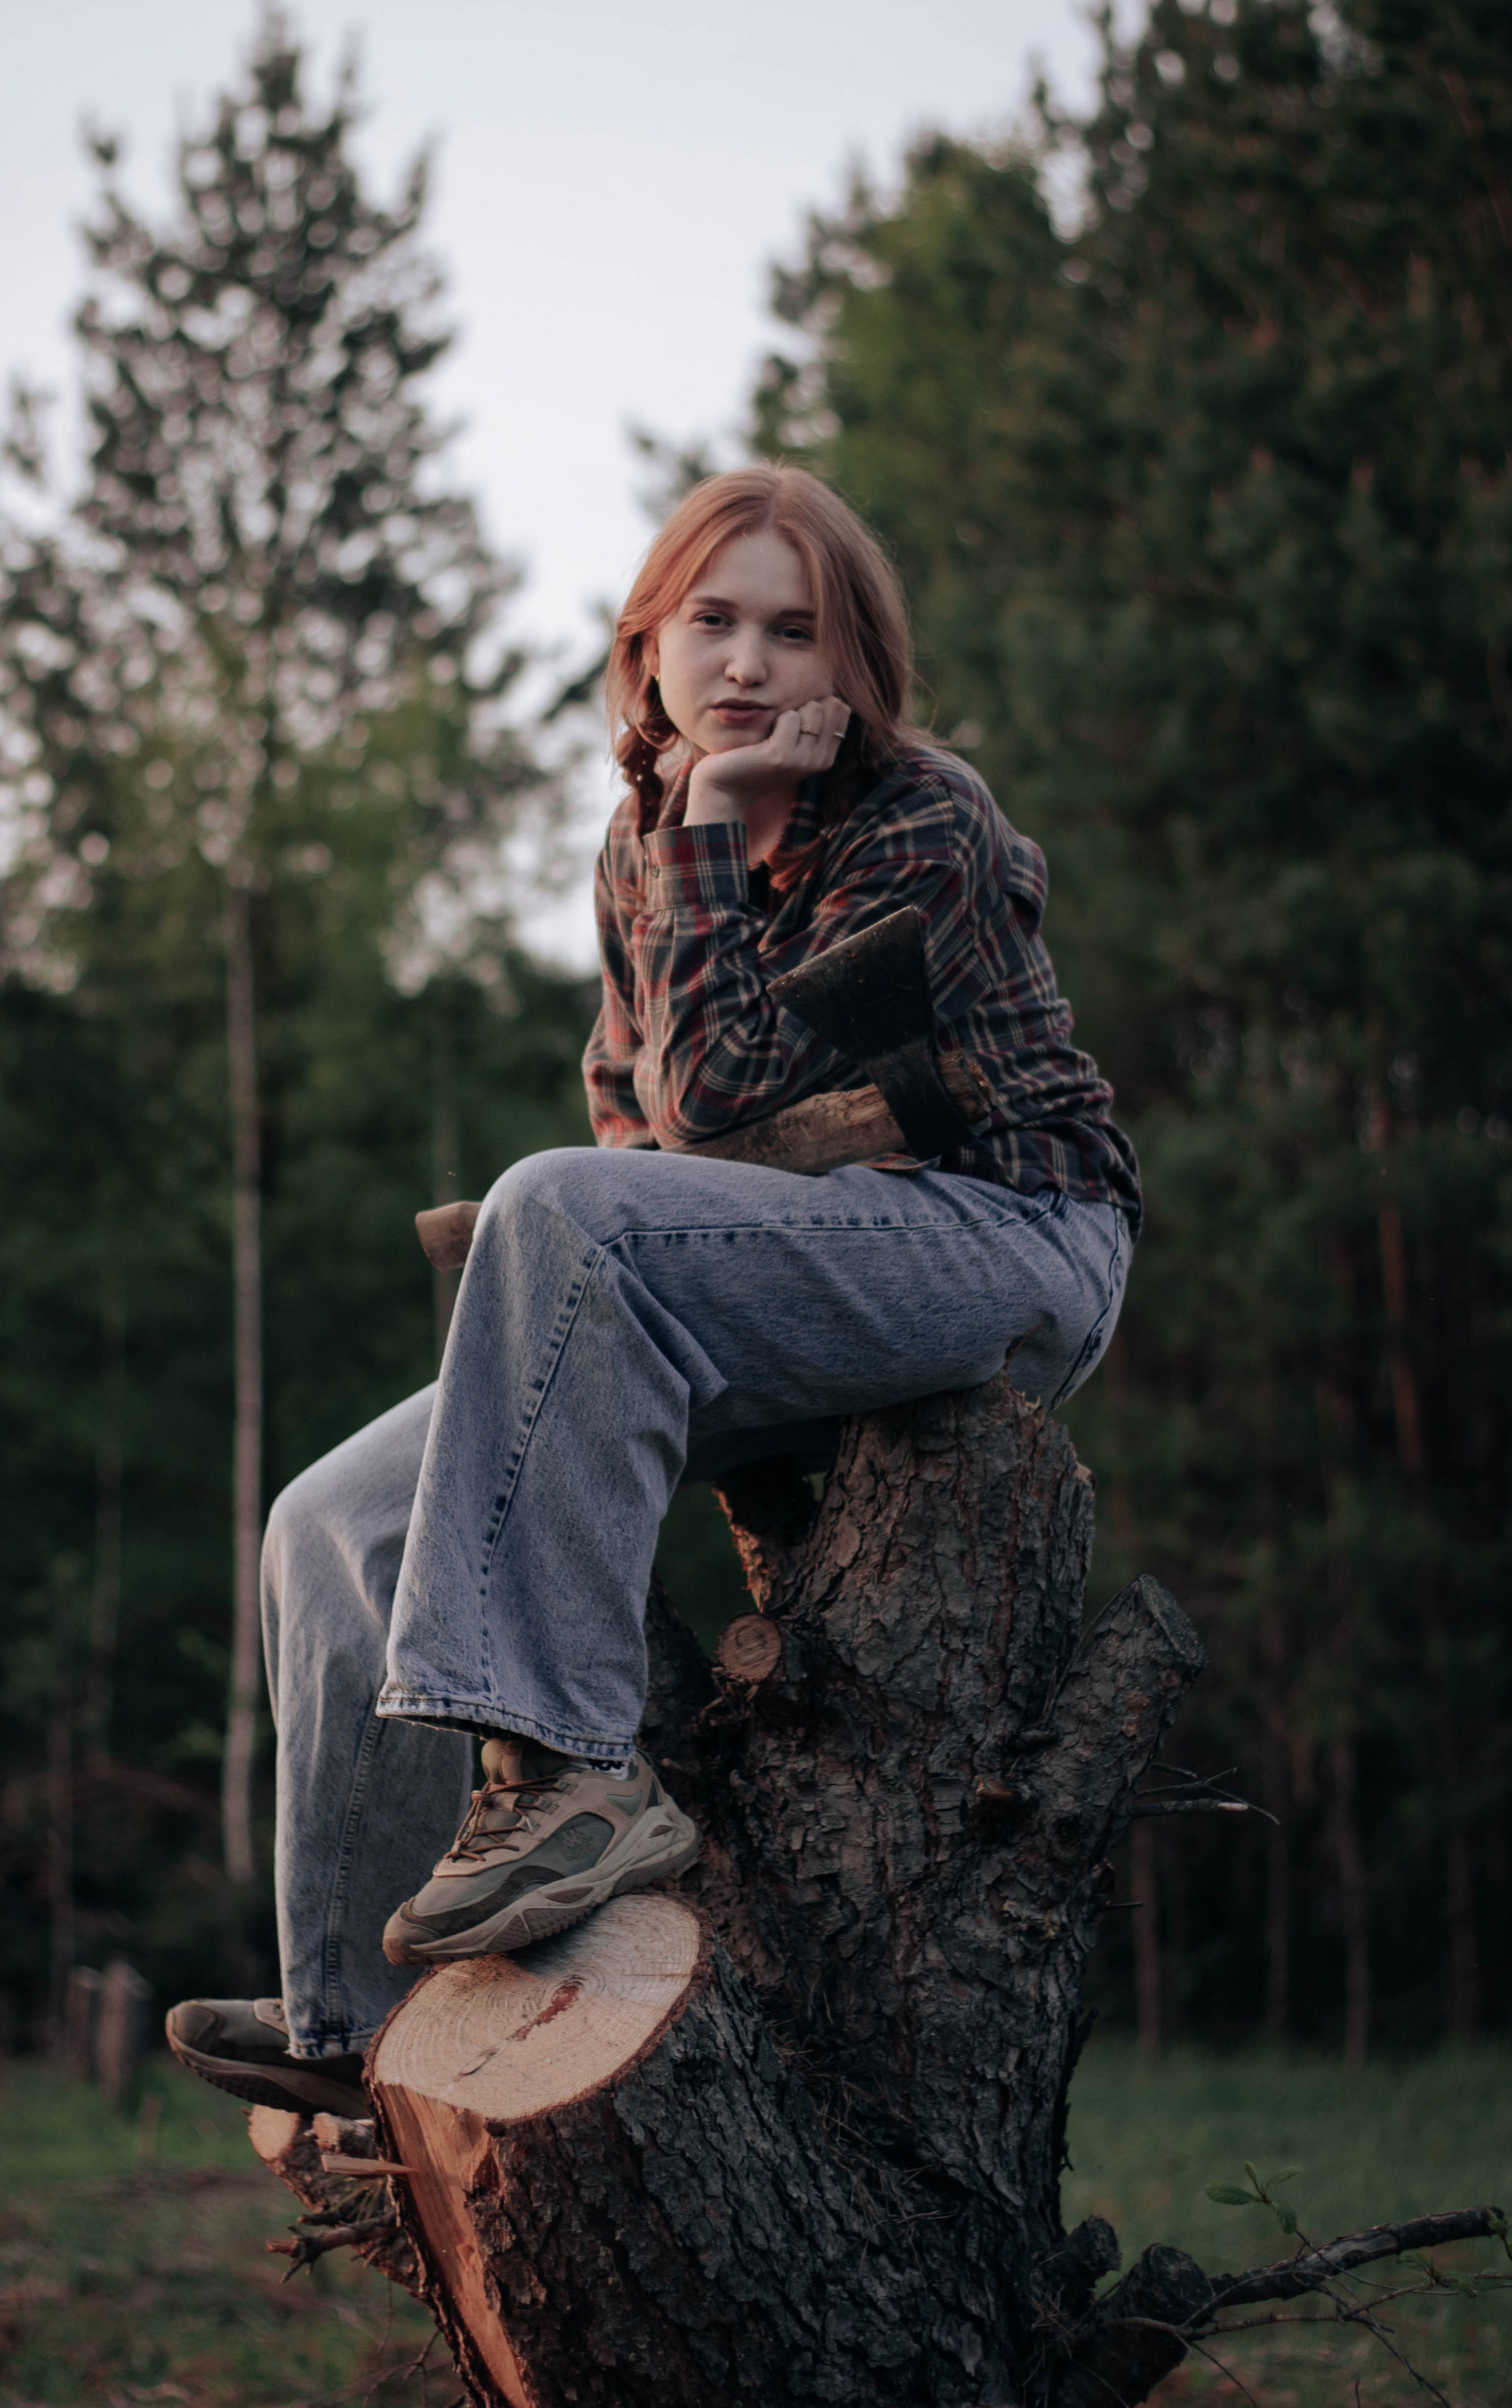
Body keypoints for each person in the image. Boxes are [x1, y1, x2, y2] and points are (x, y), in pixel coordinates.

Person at [166, 466, 1139, 2119]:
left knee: (561, 1200)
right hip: (770, 1280)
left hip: (1005, 1242)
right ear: (650, 640)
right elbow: (643, 1119)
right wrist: (675, 838)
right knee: (331, 1521)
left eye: (790, 628)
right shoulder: (637, 848)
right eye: (713, 620)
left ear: (853, 664)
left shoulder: (923, 818)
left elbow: (699, 1114)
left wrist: (702, 823)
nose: (746, 663)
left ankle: (571, 1775)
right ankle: (353, 2025)